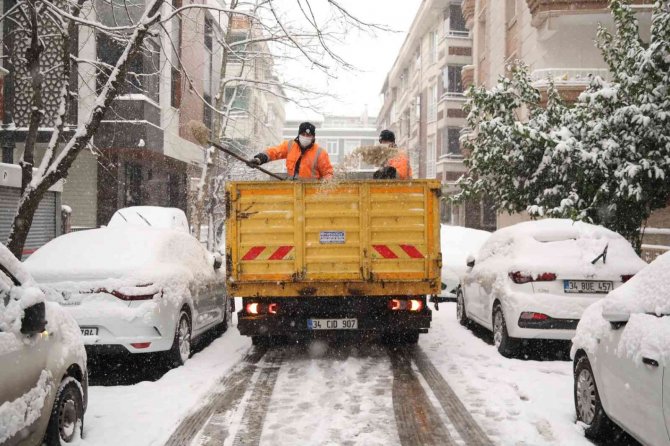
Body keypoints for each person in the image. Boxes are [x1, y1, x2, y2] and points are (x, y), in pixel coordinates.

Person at [251, 122, 333, 180]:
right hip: (291, 190)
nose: (305, 137)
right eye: (303, 134)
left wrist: (324, 187)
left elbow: (328, 173)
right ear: (299, 135)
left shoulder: (320, 153)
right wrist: (260, 158)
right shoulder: (290, 145)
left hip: (310, 194)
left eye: (308, 135)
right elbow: (275, 152)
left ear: (313, 137)